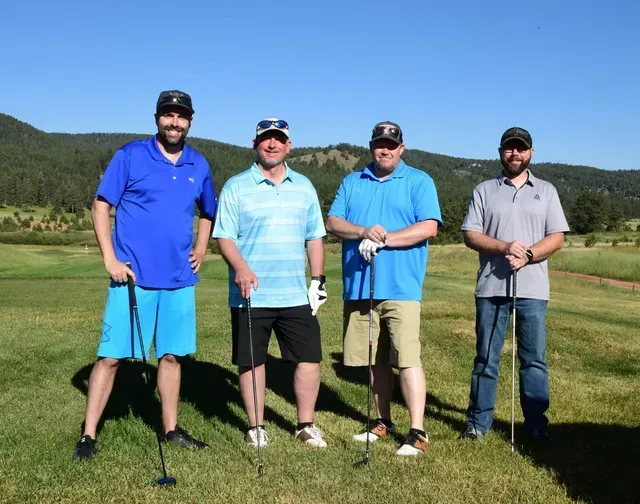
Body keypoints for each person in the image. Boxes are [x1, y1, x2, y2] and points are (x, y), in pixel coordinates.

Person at [73, 90, 217, 460]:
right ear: (157, 118)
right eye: (168, 115)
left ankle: (170, 429)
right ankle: (88, 435)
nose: (174, 122)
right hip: (131, 279)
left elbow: (208, 212)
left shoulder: (198, 164)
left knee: (170, 357)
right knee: (111, 358)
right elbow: (102, 205)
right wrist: (109, 258)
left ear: (190, 120)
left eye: (181, 116)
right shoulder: (132, 155)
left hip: (178, 280)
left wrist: (201, 248)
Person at [326, 121, 442, 456]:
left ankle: (417, 431)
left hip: (402, 287)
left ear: (401, 148)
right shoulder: (353, 181)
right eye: (379, 143)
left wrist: (385, 241)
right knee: (375, 360)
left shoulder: (418, 181)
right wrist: (363, 231)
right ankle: (381, 421)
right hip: (361, 287)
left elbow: (428, 227)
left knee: (407, 358)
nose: (385, 149)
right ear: (371, 146)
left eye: (391, 144)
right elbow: (333, 223)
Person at [212, 118, 328, 448]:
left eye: (279, 140)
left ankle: (305, 424)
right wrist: (240, 267)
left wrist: (317, 279)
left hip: (295, 293)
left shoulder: (304, 186)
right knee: (252, 362)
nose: (272, 145)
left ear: (289, 146)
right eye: (266, 139)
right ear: (255, 143)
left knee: (309, 358)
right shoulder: (236, 186)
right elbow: (224, 237)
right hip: (250, 293)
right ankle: (256, 426)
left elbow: (315, 236)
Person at [459, 126, 569, 444]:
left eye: (520, 148)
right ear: (500, 152)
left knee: (533, 359)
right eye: (509, 148)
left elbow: (557, 237)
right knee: (485, 358)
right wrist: (505, 247)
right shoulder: (484, 190)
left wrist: (530, 254)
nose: (515, 153)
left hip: (533, 289)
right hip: (491, 288)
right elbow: (471, 234)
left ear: (531, 153)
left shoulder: (546, 191)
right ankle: (477, 424)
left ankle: (536, 425)